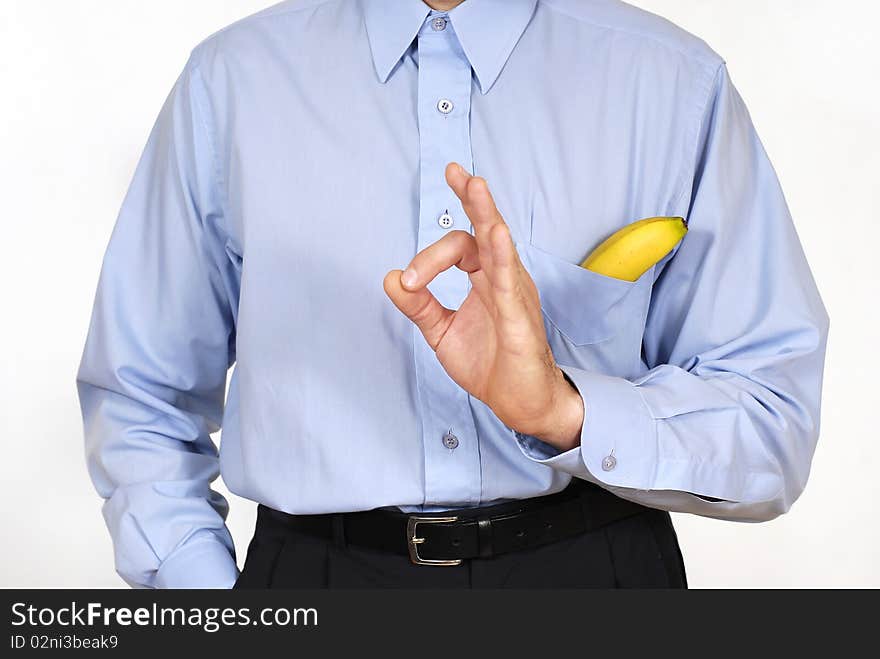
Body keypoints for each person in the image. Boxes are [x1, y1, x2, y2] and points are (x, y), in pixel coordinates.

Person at [76, 0, 829, 589]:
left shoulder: (672, 83)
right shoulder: (229, 83)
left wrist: (565, 410)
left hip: (595, 575)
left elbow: (771, 415)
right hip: (318, 580)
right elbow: (142, 399)